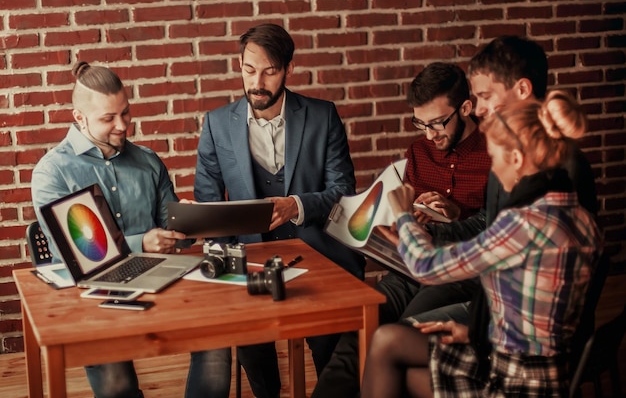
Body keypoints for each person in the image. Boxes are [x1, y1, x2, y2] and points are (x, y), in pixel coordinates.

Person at [362, 90, 602, 398]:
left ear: (516, 159)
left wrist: (404, 216)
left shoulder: (524, 225)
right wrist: (478, 333)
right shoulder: (581, 219)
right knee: (392, 348)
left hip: (514, 383)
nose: (493, 170)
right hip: (538, 368)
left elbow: (426, 268)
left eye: (494, 157)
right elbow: (542, 314)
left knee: (389, 353)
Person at [31, 62, 228, 398]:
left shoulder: (148, 161)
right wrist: (143, 242)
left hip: (163, 282)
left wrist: (189, 223)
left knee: (217, 343)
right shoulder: (52, 172)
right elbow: (76, 252)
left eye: (125, 113)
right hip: (93, 294)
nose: (122, 125)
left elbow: (172, 229)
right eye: (108, 118)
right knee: (115, 384)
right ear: (79, 117)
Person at [193, 23, 365, 398]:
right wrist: (221, 268)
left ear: (288, 69)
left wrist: (297, 206)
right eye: (249, 69)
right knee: (255, 355)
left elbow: (342, 191)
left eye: (269, 71)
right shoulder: (217, 124)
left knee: (334, 362)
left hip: (318, 252)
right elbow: (209, 204)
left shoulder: (323, 116)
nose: (257, 81)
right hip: (250, 260)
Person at [310, 62, 492, 398]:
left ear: (465, 108)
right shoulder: (418, 153)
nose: (428, 134)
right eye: (420, 123)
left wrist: (455, 216)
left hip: (457, 273)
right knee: (358, 333)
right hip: (407, 267)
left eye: (437, 123)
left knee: (394, 335)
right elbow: (406, 218)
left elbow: (497, 232)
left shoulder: (494, 153)